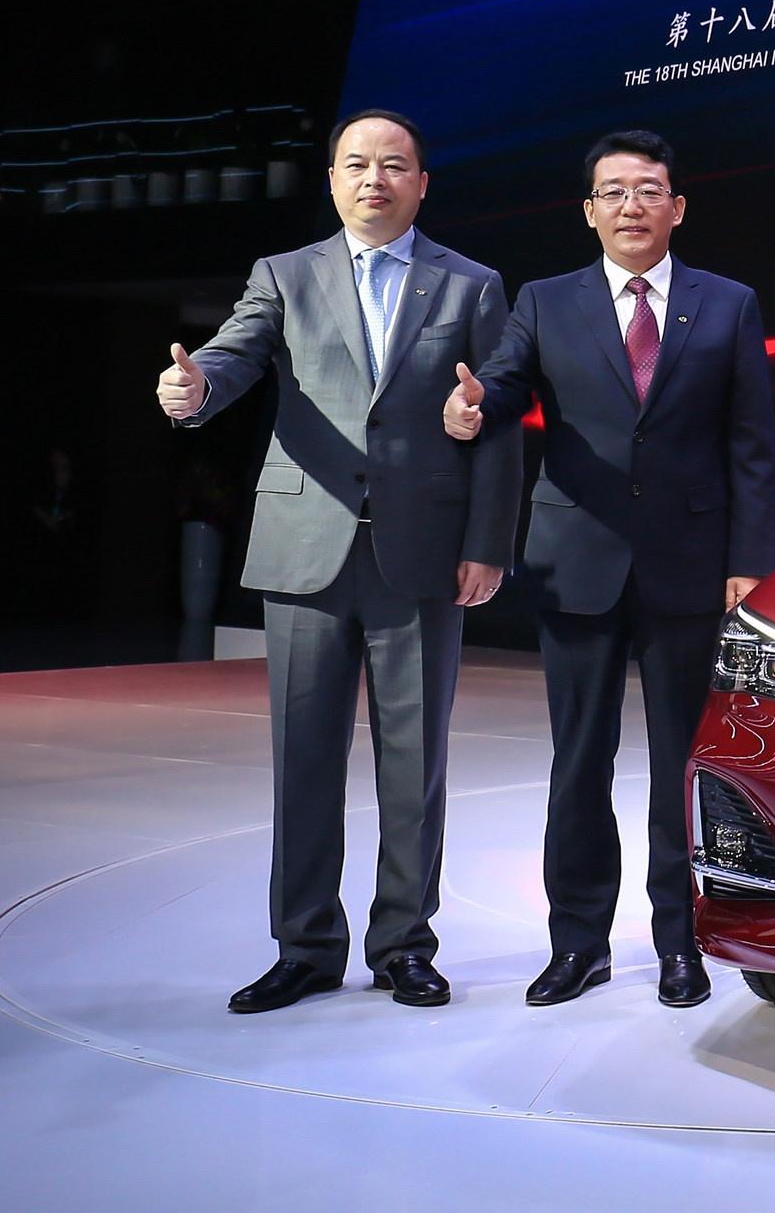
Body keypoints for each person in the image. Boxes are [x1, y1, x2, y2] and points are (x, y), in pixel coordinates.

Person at [158, 110, 521, 1014]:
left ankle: (404, 945)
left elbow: (497, 419)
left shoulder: (472, 284)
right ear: (331, 180)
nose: (374, 180)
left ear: (422, 183)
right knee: (304, 760)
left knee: (415, 764)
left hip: (422, 552)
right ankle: (305, 947)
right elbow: (233, 357)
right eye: (356, 164)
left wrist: (486, 543)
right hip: (305, 546)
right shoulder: (284, 274)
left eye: (393, 165)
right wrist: (195, 389)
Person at [444, 129, 775, 1010]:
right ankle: (578, 945)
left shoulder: (728, 303)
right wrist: (475, 405)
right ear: (589, 210)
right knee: (579, 762)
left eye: (648, 190)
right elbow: (505, 385)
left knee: (681, 766)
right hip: (579, 561)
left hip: (690, 565)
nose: (631, 206)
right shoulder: (546, 300)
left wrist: (750, 561)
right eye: (613, 192)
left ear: (677, 207)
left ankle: (680, 942)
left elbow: (751, 444)